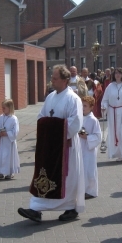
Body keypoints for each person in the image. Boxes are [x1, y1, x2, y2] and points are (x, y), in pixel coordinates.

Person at [18, 65, 85, 222]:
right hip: (50, 146)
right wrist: (49, 126)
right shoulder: (50, 97)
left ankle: (70, 207)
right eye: (52, 78)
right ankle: (36, 208)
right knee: (44, 174)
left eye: (55, 78)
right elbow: (41, 117)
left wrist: (55, 129)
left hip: (65, 145)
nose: (52, 81)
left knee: (66, 178)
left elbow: (75, 122)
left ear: (65, 80)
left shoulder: (73, 99)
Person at [101, 68, 122, 161]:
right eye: (116, 73)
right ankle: (120, 154)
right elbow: (105, 100)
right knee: (116, 133)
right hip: (113, 111)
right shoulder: (110, 86)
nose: (118, 75)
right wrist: (104, 106)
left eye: (119, 73)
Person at [0, 99, 20, 180]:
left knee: (9, 157)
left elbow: (15, 131)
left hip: (9, 142)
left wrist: (7, 133)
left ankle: (9, 172)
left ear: (10, 108)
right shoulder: (1, 117)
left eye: (4, 108)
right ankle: (0, 172)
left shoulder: (14, 118)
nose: (2, 109)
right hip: (2, 141)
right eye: (2, 108)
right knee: (0, 155)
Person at [79, 96, 102, 199]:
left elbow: (98, 136)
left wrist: (87, 137)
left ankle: (91, 190)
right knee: (80, 168)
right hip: (79, 146)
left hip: (89, 149)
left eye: (85, 106)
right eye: (81, 105)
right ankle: (81, 189)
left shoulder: (93, 120)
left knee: (89, 170)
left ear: (91, 107)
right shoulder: (79, 117)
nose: (82, 108)